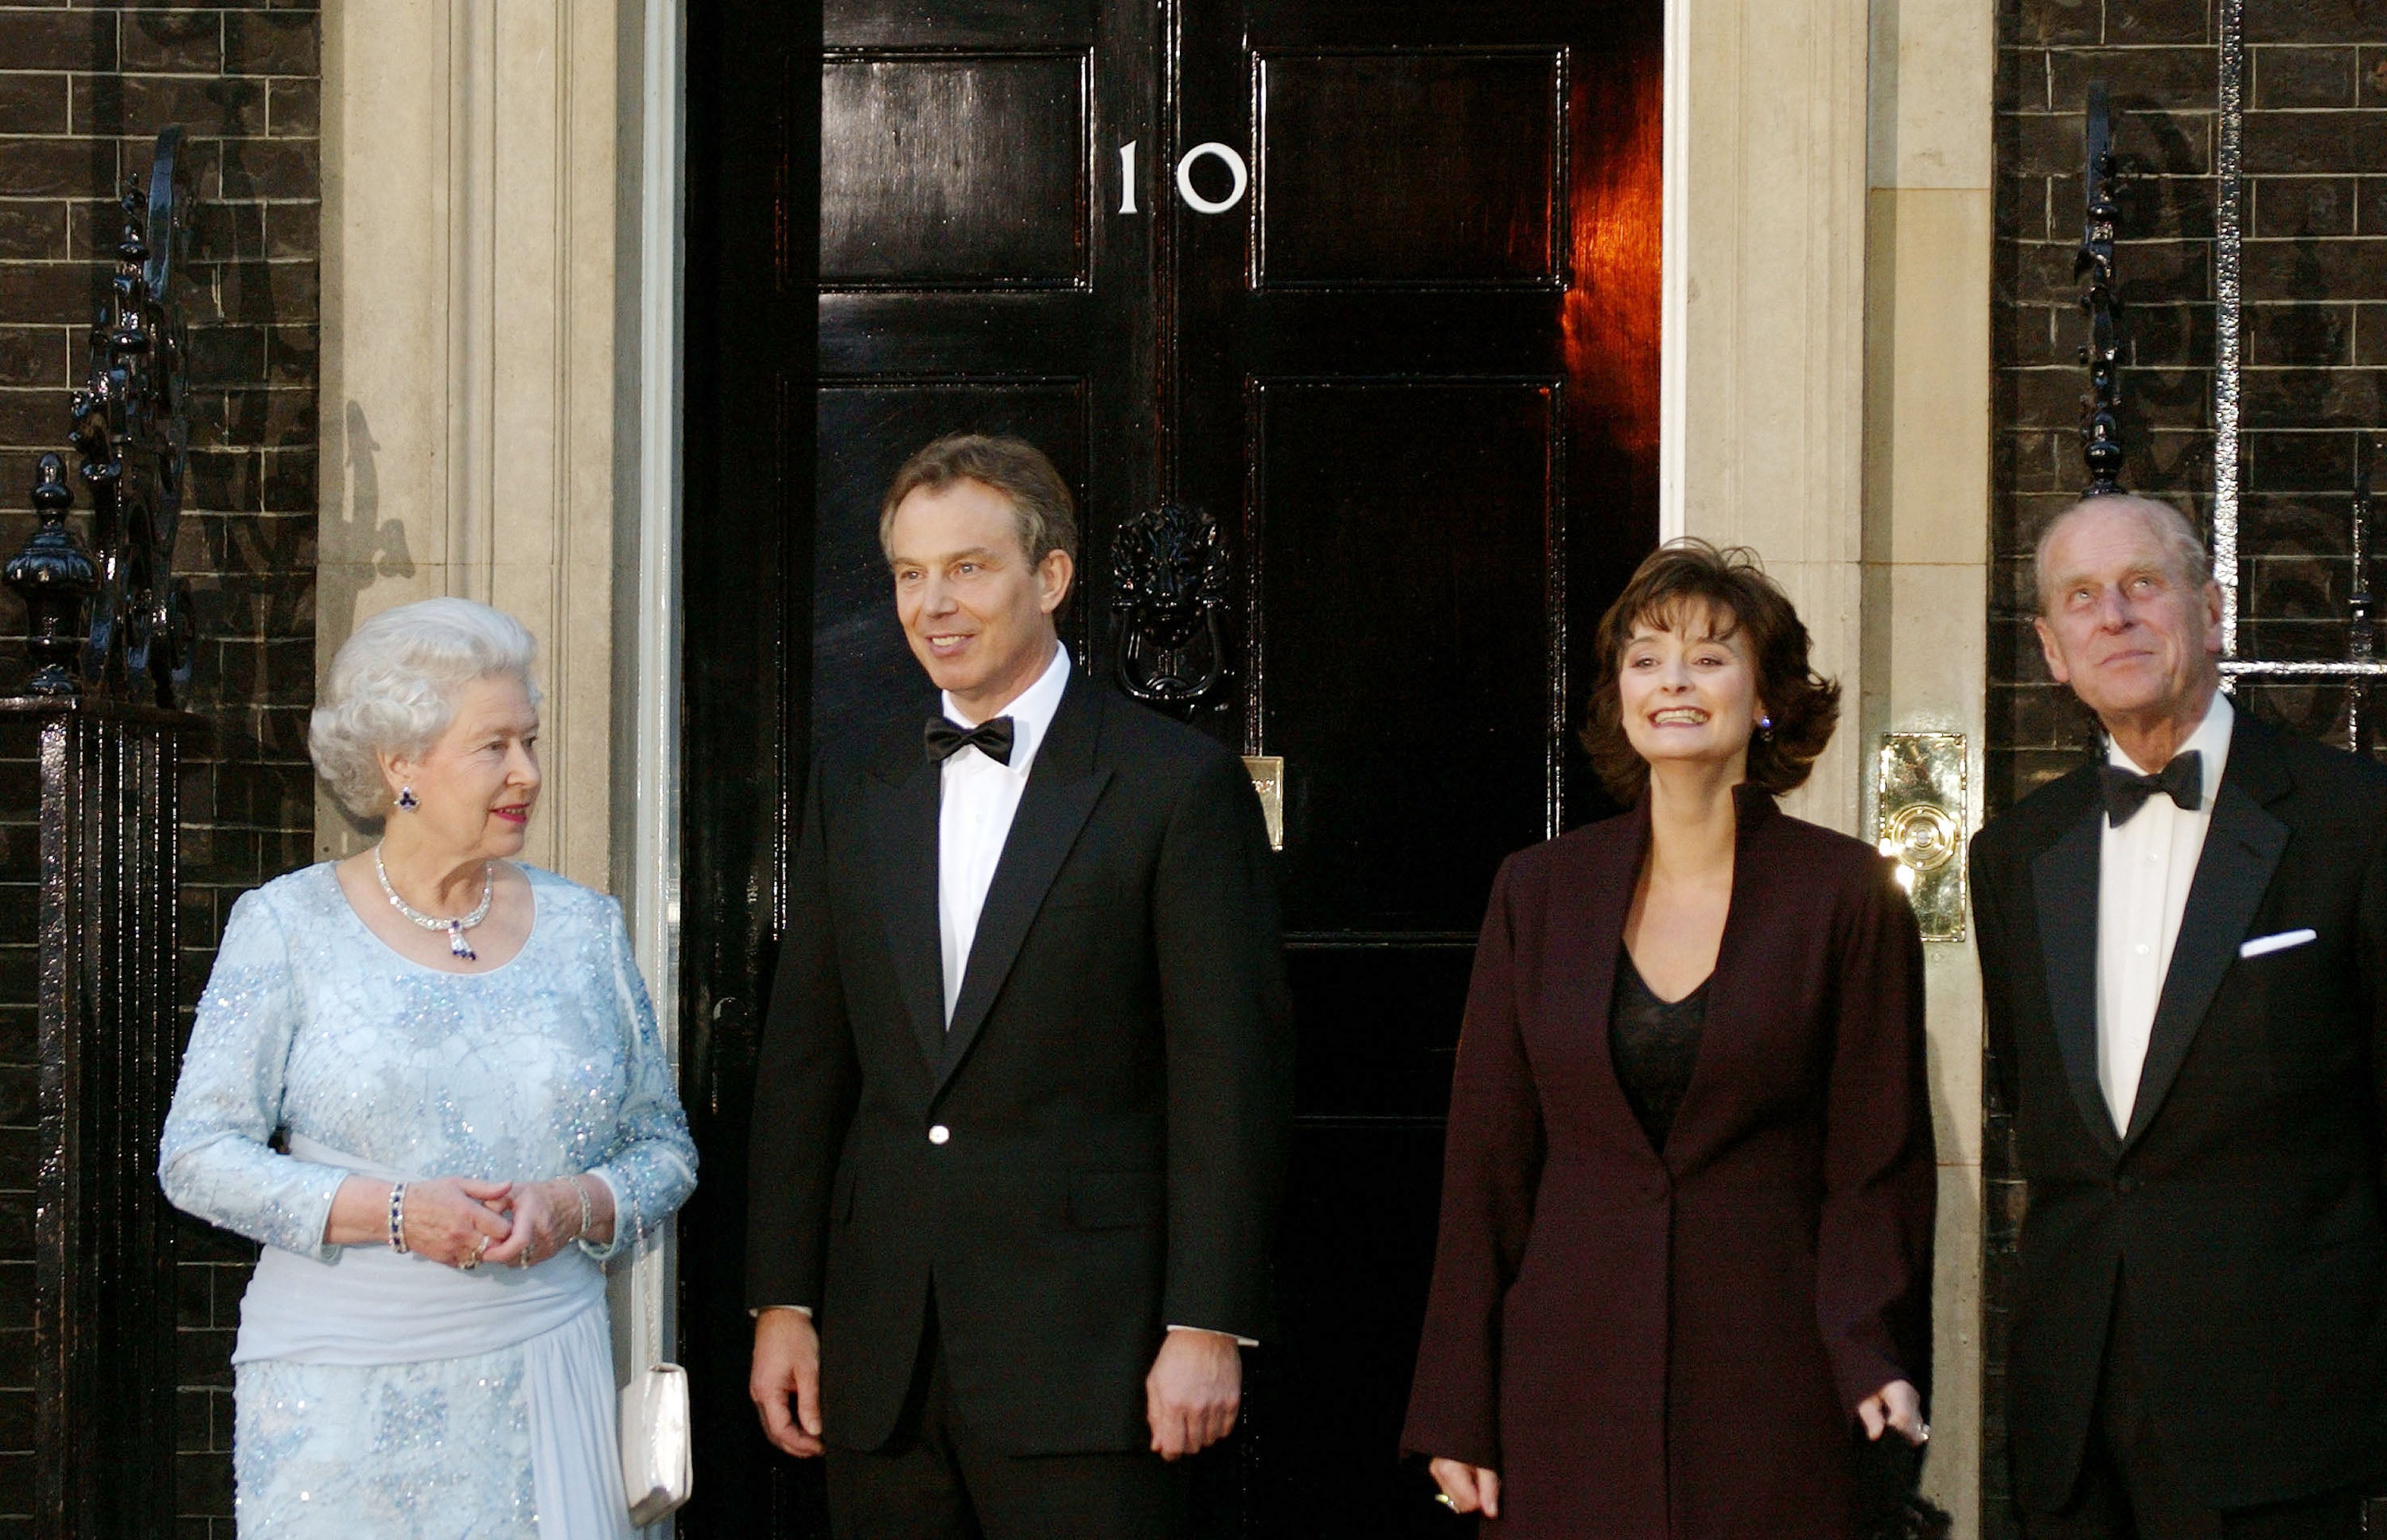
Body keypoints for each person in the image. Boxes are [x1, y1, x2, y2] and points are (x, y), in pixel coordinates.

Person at [743, 433, 1294, 1538]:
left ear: (1051, 577)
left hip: (1093, 1355)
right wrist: (783, 1302)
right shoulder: (856, 780)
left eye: (968, 567)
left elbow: (1227, 1077)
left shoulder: (1174, 785)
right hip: (881, 1352)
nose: (932, 604)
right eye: (908, 573)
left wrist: (1208, 1323)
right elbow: (808, 1060)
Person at [1402, 539, 1936, 1538]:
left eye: (1710, 656)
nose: (1674, 682)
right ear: (1619, 696)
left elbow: (1878, 1161)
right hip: (1565, 1379)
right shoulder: (1537, 889)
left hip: (1774, 1378)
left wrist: (1873, 1352)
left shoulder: (1847, 892)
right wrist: (1457, 1405)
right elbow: (1487, 1167)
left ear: (1767, 695)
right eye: (1646, 658)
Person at [159, 597, 698, 1538]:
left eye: (529, 740)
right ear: (400, 764)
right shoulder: (286, 927)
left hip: (547, 1378)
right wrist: (397, 1213)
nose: (526, 772)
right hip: (339, 1404)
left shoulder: (586, 930)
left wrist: (571, 1205)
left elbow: (665, 1148)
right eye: (494, 747)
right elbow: (197, 1154)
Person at [1969, 492, 2387, 1539]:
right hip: (2073, 1421)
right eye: (2080, 598)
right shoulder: (2014, 855)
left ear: (2212, 609)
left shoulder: (2355, 821)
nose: (2113, 615)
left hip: (2280, 1413)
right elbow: (2048, 1117)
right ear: (2052, 651)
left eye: (2141, 584)